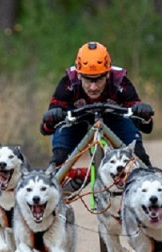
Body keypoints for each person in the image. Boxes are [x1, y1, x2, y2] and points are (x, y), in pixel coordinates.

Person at [40, 41, 154, 169]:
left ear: (108, 74)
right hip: (76, 121)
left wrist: (144, 114)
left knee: (139, 157)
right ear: (78, 74)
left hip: (114, 118)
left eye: (98, 79)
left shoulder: (120, 80)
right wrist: (51, 118)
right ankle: (59, 181)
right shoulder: (68, 83)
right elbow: (45, 129)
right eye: (88, 79)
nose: (93, 87)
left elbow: (146, 127)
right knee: (58, 159)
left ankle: (150, 177)